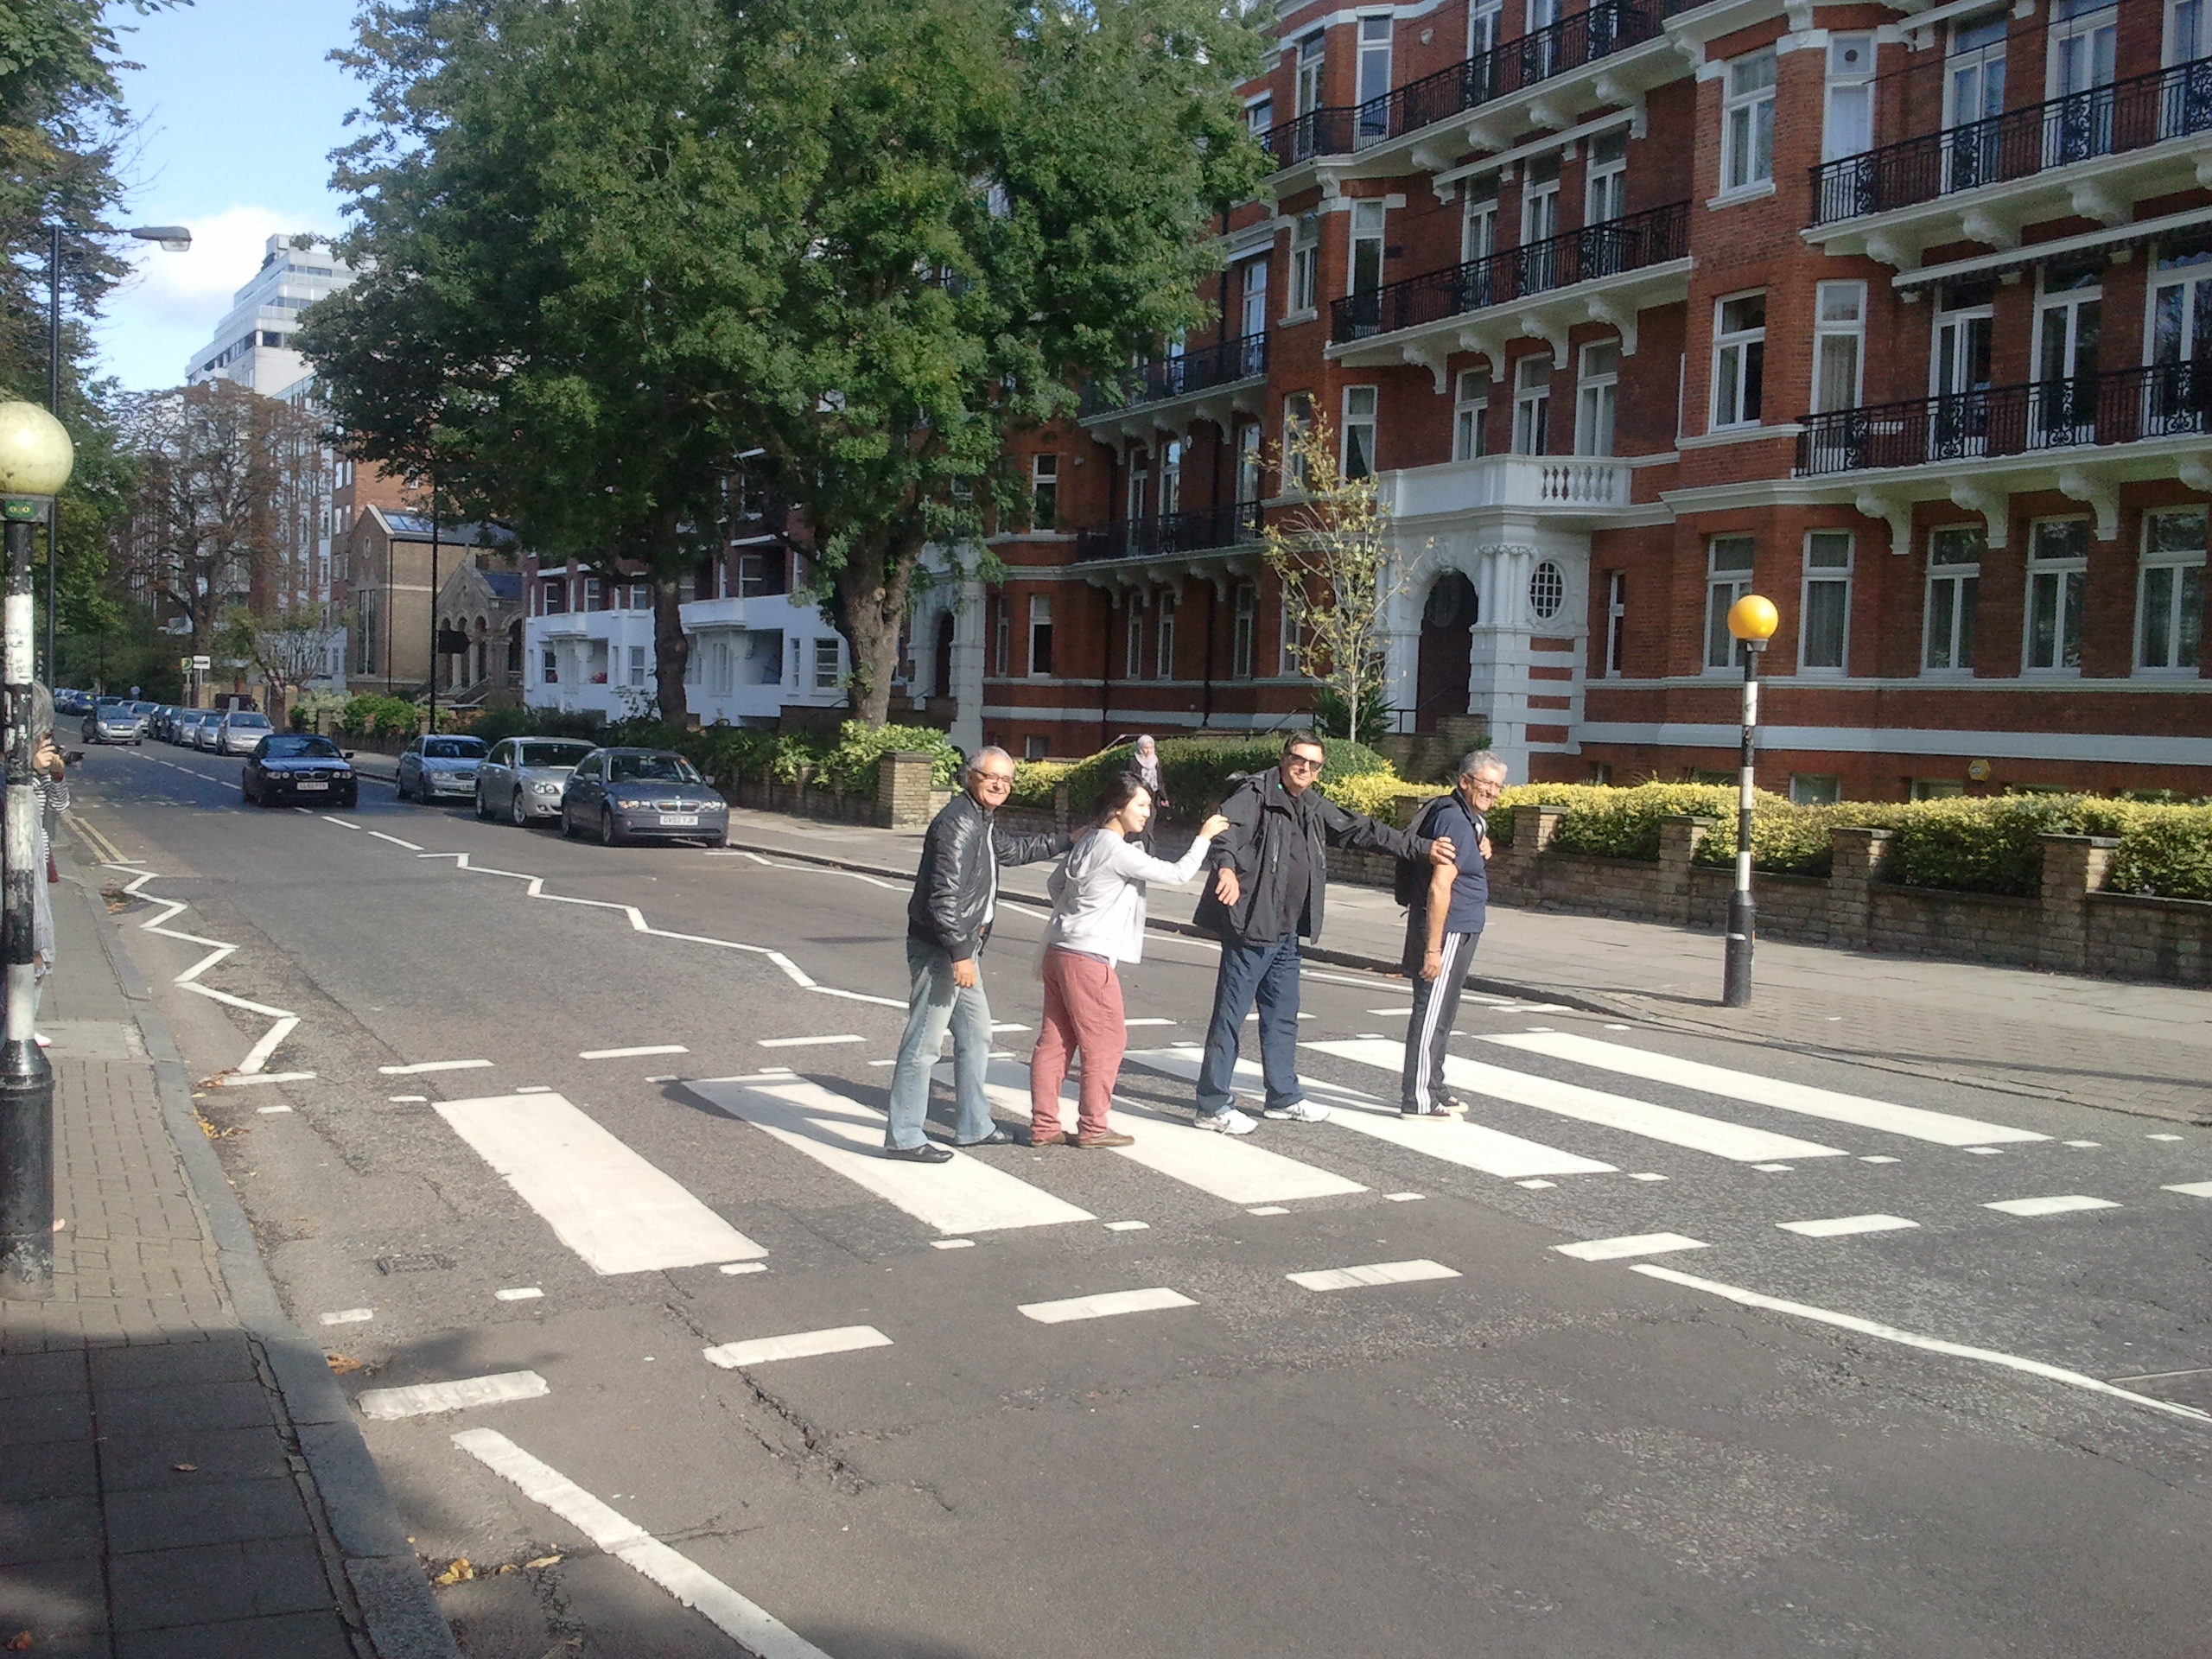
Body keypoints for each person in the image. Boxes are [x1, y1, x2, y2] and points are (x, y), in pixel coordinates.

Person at [1192, 730, 1455, 1133]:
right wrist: (1224, 867)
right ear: (1284, 758)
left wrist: (1420, 848)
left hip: (1286, 934)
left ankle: (1283, 1097)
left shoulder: (1310, 804)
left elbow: (1360, 828)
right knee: (1230, 1016)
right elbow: (1226, 832)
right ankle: (1212, 1105)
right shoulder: (1255, 793)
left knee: (1282, 1018)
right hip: (1252, 926)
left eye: (1315, 765)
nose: (1306, 769)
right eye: (1300, 760)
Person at [885, 747, 1070, 1162]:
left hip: (961, 945)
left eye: (1006, 780)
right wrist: (961, 954)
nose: (1000, 785)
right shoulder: (958, 825)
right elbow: (943, 899)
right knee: (924, 1043)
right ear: (971, 776)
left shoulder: (981, 820)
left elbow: (1011, 852)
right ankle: (904, 1136)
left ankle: (973, 1125)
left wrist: (1068, 839)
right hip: (942, 948)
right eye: (992, 777)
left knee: (976, 1034)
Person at [1031, 778, 1230, 1148]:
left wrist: (1082, 910)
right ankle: (1093, 1126)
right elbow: (1177, 874)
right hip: (1089, 958)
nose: (1147, 812)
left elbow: (1056, 885)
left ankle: (1044, 1126)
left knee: (1055, 1042)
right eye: (1140, 805)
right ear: (1118, 807)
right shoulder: (1117, 850)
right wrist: (1203, 837)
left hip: (1058, 950)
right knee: (1106, 1042)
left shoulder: (1088, 840)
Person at [1401, 752, 1505, 1117]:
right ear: (1465, 781)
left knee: (1442, 1012)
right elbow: (1438, 887)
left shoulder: (1467, 819)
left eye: (1497, 786)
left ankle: (1434, 1084)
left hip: (1459, 928)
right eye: (1485, 784)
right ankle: (1418, 1098)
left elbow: (1466, 854)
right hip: (1446, 930)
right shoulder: (1455, 820)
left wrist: (1482, 845)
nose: (1492, 792)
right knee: (1430, 1012)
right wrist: (1432, 948)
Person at [1122, 735, 1168, 855]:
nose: (1148, 751)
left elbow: (1159, 781)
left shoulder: (1156, 761)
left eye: (1150, 747)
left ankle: (1149, 854)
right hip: (1138, 799)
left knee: (1148, 828)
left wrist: (1164, 797)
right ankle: (1130, 851)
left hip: (1152, 800)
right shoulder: (1133, 761)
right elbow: (1131, 780)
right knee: (1135, 828)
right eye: (1145, 748)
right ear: (1140, 748)